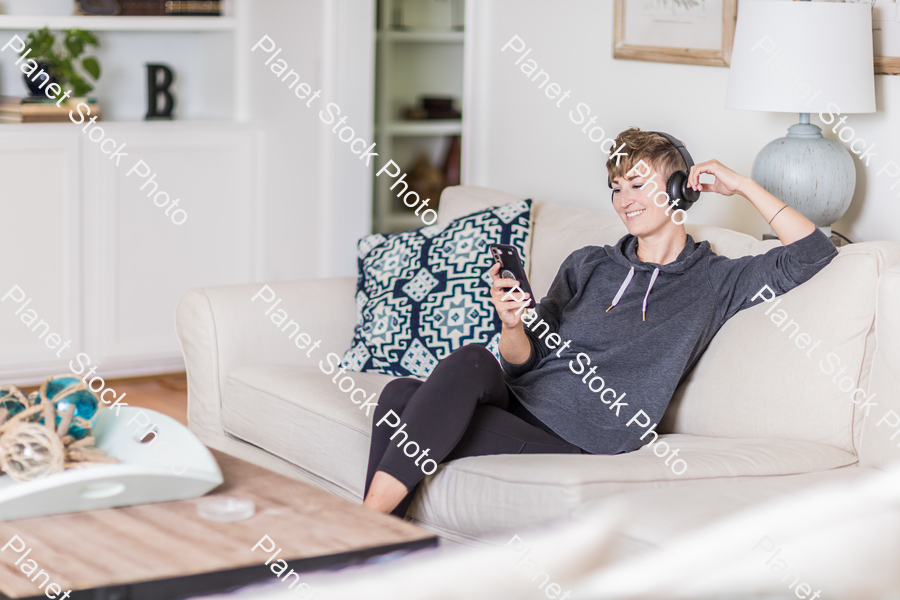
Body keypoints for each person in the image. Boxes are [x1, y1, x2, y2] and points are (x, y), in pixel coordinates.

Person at [362, 128, 838, 517]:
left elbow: (812, 252)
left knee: (408, 406)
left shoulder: (714, 279)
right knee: (404, 390)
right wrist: (511, 324)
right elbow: (522, 364)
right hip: (521, 402)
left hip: (577, 436)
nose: (624, 200)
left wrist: (741, 185)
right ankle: (376, 547)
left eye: (638, 184)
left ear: (679, 190)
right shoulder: (589, 263)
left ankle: (363, 533)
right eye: (616, 188)